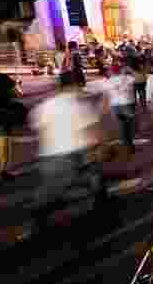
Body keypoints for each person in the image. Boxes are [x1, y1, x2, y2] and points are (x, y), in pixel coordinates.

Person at [27, 72, 107, 232]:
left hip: (50, 154)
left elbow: (38, 128)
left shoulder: (45, 106)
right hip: (78, 151)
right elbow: (93, 131)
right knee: (92, 181)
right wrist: (101, 147)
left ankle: (39, 219)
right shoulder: (79, 105)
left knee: (51, 189)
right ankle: (98, 215)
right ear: (76, 86)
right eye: (81, 86)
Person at [102, 63, 139, 155]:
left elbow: (105, 94)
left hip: (115, 106)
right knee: (130, 126)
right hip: (127, 104)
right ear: (120, 70)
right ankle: (129, 145)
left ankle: (127, 145)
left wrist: (105, 107)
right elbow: (139, 77)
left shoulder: (108, 81)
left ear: (111, 71)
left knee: (122, 126)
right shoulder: (128, 78)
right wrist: (130, 70)